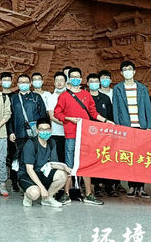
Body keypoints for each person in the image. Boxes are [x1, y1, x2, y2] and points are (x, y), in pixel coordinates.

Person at [54, 68, 110, 206]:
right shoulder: (64, 96)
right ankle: (66, 194)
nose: (75, 79)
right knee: (69, 164)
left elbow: (93, 112)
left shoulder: (86, 95)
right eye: (72, 77)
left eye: (77, 77)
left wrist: (106, 121)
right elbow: (57, 113)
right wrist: (68, 118)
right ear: (69, 79)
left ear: (81, 79)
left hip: (85, 135)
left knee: (85, 163)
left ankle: (89, 194)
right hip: (71, 134)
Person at [112, 61, 151, 199]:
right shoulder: (118, 88)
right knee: (129, 158)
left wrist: (149, 126)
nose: (128, 72)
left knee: (141, 158)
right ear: (121, 73)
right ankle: (131, 186)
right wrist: (118, 126)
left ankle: (141, 187)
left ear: (134, 71)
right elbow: (115, 108)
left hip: (141, 127)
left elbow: (148, 108)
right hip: (126, 128)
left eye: (130, 69)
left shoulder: (142, 88)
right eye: (125, 70)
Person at [18, 118, 71, 208]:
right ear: (37, 130)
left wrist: (65, 168)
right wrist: (42, 188)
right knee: (35, 193)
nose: (45, 132)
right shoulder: (30, 144)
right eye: (42, 129)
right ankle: (27, 196)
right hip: (28, 175)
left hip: (43, 172)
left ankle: (47, 199)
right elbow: (29, 169)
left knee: (63, 175)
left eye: (47, 129)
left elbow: (53, 164)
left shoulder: (51, 142)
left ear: (51, 130)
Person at [9, 74, 47, 193]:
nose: (23, 84)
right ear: (17, 84)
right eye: (21, 82)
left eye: (26, 82)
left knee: (35, 159)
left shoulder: (36, 97)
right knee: (21, 159)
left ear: (30, 84)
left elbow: (43, 116)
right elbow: (10, 116)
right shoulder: (13, 98)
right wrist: (11, 132)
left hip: (35, 134)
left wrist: (42, 131)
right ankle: (22, 184)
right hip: (19, 134)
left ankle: (36, 183)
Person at [87, 72, 115, 197]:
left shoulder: (105, 98)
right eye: (91, 82)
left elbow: (110, 116)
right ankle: (97, 186)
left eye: (96, 82)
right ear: (87, 84)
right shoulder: (85, 97)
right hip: (90, 134)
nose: (94, 84)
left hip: (104, 134)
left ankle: (108, 185)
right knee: (93, 159)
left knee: (106, 158)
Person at [44, 71, 69, 166]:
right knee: (59, 158)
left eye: (61, 80)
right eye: (57, 80)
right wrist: (67, 123)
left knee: (70, 157)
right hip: (57, 133)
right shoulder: (51, 97)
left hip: (70, 133)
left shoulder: (71, 96)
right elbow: (52, 116)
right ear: (54, 83)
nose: (59, 82)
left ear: (66, 82)